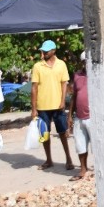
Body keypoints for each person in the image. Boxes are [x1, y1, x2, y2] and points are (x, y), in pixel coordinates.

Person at [31, 39, 72, 171]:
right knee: (45, 134)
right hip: (42, 106)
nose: (44, 53)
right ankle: (48, 159)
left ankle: (68, 158)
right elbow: (34, 87)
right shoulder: (37, 66)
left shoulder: (61, 64)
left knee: (62, 133)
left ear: (53, 51)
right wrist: (33, 108)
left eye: (46, 51)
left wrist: (62, 101)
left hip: (58, 105)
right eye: (43, 51)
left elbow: (64, 84)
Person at [67, 58, 93, 181]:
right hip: (79, 116)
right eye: (84, 62)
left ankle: (99, 169)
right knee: (80, 144)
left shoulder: (97, 74)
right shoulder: (77, 75)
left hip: (93, 117)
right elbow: (74, 96)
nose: (86, 64)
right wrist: (70, 115)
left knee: (97, 146)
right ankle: (83, 169)